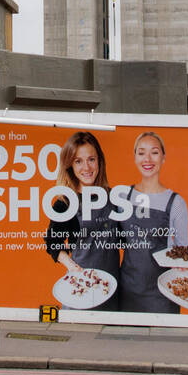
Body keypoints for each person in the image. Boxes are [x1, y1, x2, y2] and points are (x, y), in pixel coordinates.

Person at [44, 131, 120, 311]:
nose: (86, 167)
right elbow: (51, 242)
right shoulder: (65, 202)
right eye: (78, 161)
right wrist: (72, 267)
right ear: (70, 165)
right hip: (82, 288)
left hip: (112, 288)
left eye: (91, 159)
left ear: (99, 161)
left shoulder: (113, 197)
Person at [118, 131, 188, 314]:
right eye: (141, 153)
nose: (147, 159)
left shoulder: (176, 202)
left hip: (162, 296)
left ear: (163, 158)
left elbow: (183, 251)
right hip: (126, 291)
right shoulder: (122, 196)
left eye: (154, 152)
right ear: (134, 157)